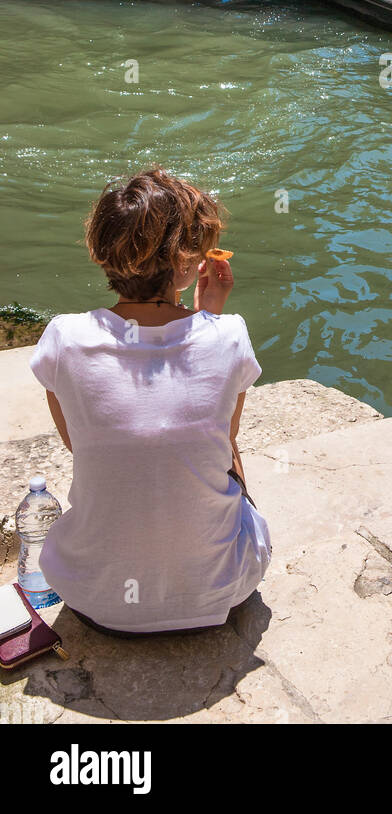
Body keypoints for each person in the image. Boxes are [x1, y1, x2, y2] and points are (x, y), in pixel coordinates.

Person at [28, 169, 271, 637]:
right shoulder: (230, 335)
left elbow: (82, 445)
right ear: (185, 261)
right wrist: (209, 321)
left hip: (93, 597)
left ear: (101, 250)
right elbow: (221, 444)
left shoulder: (64, 338)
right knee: (227, 458)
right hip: (221, 591)